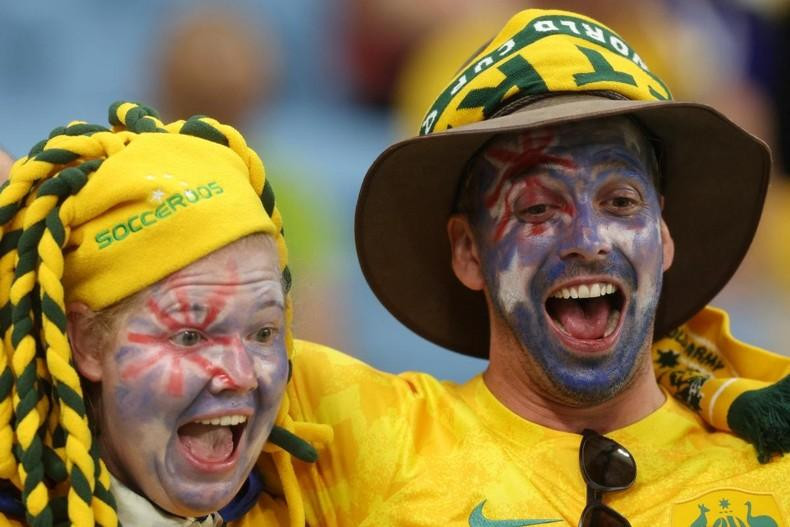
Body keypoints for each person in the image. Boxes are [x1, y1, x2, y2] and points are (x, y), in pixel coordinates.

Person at [281, 8, 790, 526]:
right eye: (538, 209)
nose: (588, 243)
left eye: (620, 202)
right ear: (468, 252)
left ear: (662, 235)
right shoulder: (359, 444)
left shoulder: (776, 466)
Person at [0, 102, 330, 527]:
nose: (242, 374)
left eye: (263, 332)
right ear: (87, 341)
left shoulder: (340, 462)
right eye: (190, 336)